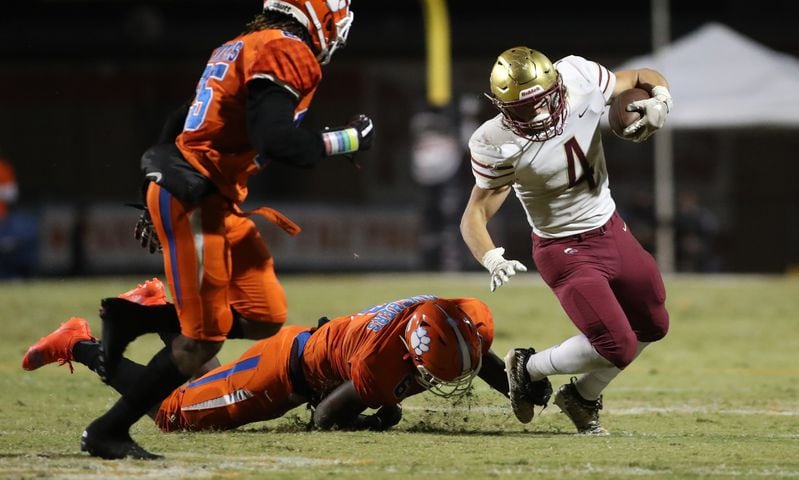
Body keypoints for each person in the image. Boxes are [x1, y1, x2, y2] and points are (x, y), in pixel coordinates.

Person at [84, 0, 374, 459]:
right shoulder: (289, 52)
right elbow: (279, 144)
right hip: (196, 199)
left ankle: (135, 318)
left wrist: (152, 193)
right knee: (202, 340)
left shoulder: (240, 46)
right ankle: (109, 430)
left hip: (210, 195)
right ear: (323, 19)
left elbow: (181, 117)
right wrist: (349, 139)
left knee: (263, 314)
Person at [460, 47, 671, 435]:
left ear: (556, 86)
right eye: (524, 110)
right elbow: (474, 214)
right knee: (618, 344)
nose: (538, 114)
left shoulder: (578, 76)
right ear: (502, 107)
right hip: (564, 249)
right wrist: (490, 257)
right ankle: (529, 367)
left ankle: (582, 397)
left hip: (610, 227)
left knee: (654, 324)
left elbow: (643, 75)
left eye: (542, 102)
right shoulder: (495, 142)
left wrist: (661, 99)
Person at [22, 285, 510, 442]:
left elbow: (472, 348)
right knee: (171, 413)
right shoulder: (381, 364)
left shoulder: (446, 314)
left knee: (209, 378)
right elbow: (323, 417)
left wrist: (517, 384)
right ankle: (79, 343)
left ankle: (155, 309)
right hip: (279, 378)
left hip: (304, 346)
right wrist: (376, 419)